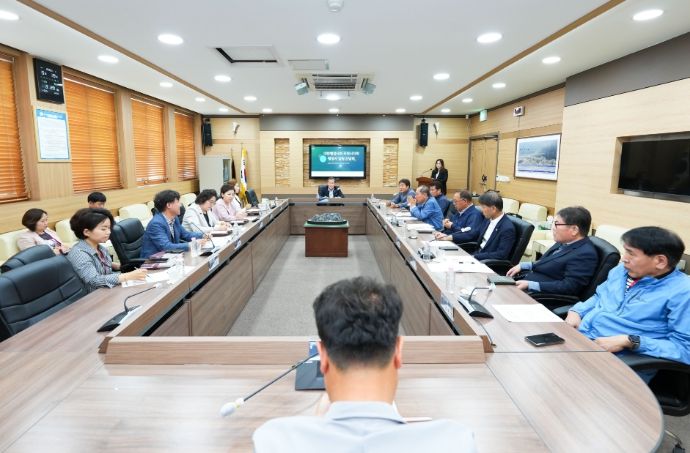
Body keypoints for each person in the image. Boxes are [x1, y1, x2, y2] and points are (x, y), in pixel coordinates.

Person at [253, 277, 476, 453]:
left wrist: (319, 423)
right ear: (398, 352)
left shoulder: (273, 441)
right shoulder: (455, 442)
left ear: (322, 357)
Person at [565, 226, 690, 382]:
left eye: (631, 253)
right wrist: (577, 311)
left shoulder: (682, 292)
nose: (624, 258)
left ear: (660, 261)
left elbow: (685, 349)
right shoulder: (621, 271)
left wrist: (631, 341)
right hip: (582, 341)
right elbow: (600, 296)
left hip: (619, 362)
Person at [506, 206, 597, 295]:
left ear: (574, 230)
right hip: (526, 281)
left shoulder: (585, 254)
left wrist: (531, 285)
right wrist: (525, 265)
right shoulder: (564, 241)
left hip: (540, 296)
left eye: (556, 224)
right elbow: (547, 263)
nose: (553, 228)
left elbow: (570, 287)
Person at [67, 208, 147, 293]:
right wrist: (127, 276)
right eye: (103, 229)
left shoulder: (101, 248)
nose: (108, 232)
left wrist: (118, 266)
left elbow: (103, 266)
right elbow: (94, 280)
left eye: (109, 228)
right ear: (87, 232)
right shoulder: (79, 253)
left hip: (108, 290)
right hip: (95, 296)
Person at [140, 190, 206, 258]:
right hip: (153, 260)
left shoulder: (174, 218)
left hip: (170, 256)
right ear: (169, 205)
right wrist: (191, 244)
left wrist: (203, 235)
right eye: (178, 202)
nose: (180, 205)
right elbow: (166, 247)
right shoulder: (156, 224)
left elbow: (186, 234)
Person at [473, 191, 515, 261]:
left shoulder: (507, 228)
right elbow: (476, 233)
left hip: (486, 261)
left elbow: (501, 254)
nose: (482, 210)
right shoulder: (488, 219)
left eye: (483, 207)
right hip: (477, 254)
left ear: (493, 209)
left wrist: (475, 256)